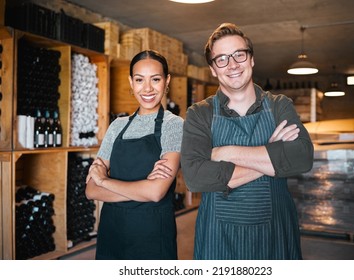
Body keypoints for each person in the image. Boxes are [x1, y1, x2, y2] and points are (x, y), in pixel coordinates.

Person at [180, 23, 314, 260]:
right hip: (218, 239)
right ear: (213, 69)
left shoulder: (279, 105)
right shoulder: (199, 113)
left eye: (239, 55)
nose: (232, 65)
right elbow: (195, 176)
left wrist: (225, 152)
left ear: (251, 59)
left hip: (276, 235)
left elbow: (301, 158)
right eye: (221, 59)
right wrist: (273, 155)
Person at [85, 50, 183, 260]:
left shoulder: (174, 125)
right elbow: (91, 190)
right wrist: (142, 189)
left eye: (155, 79)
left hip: (152, 236)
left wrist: (104, 180)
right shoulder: (117, 126)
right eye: (139, 80)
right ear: (131, 82)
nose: (147, 88)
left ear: (167, 81)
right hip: (112, 233)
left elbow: (156, 192)